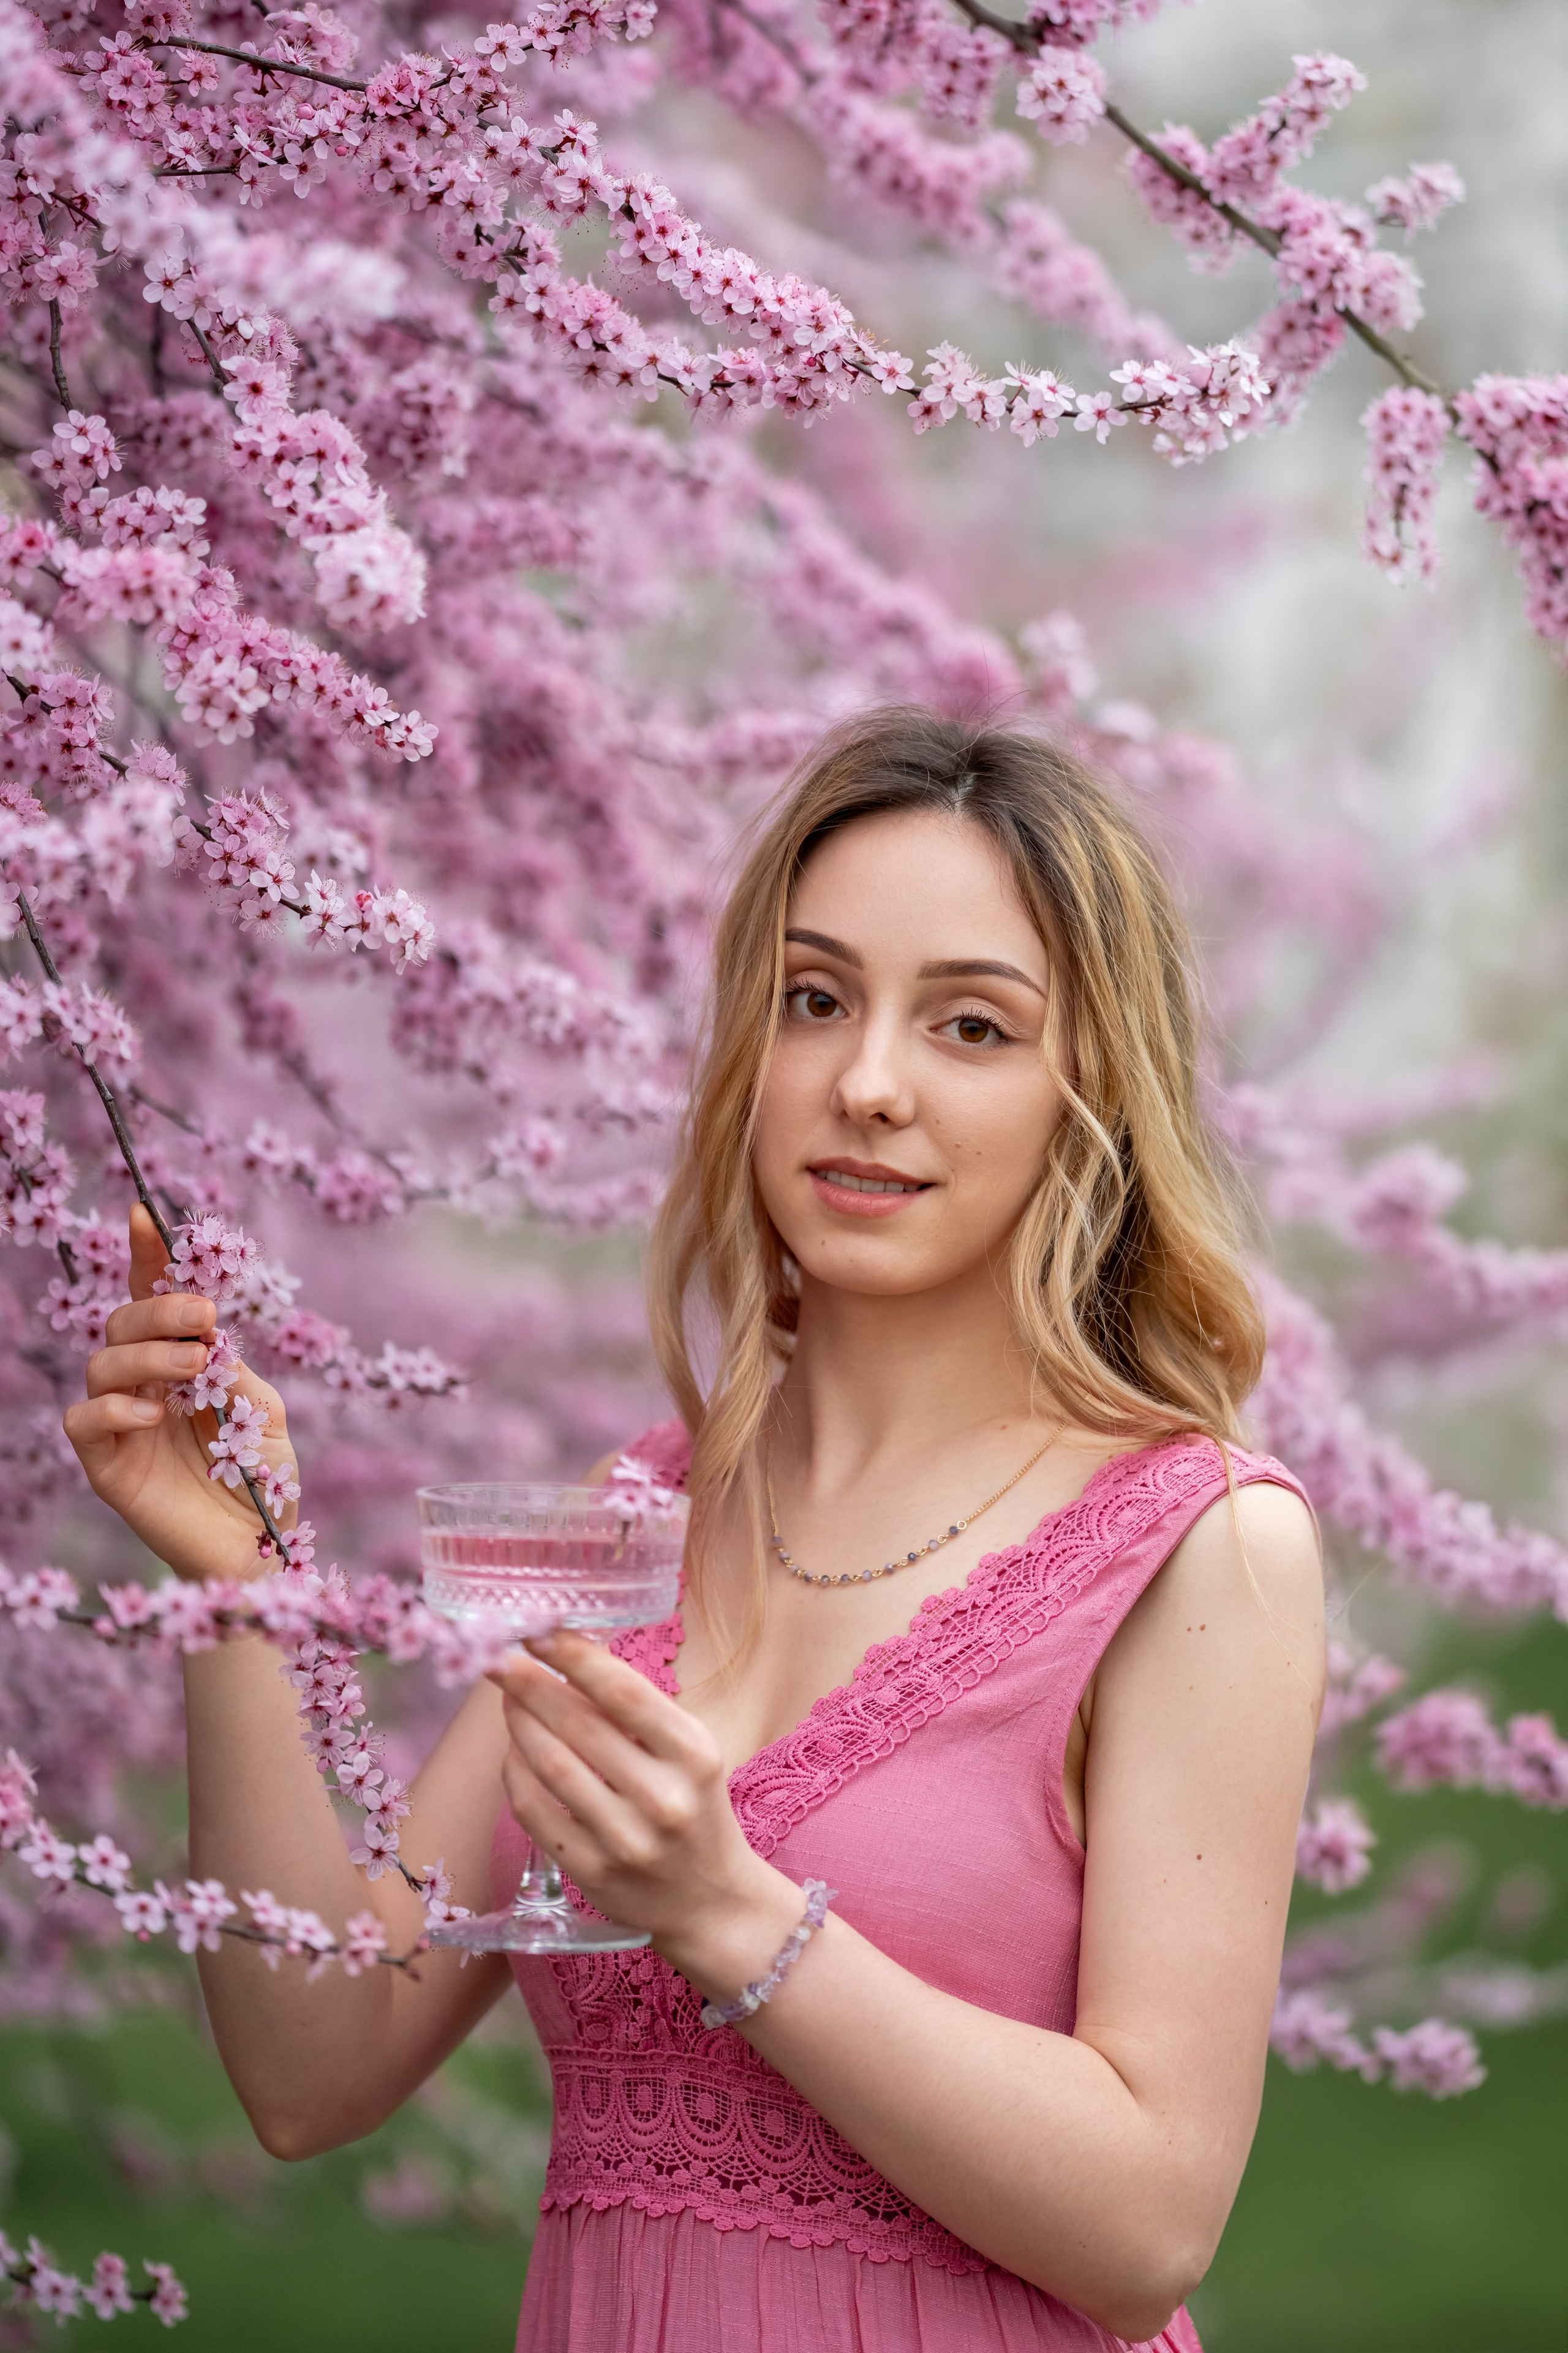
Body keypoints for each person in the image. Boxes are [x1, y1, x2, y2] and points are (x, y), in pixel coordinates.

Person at [64, 709, 1324, 2353]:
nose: (867, 1084)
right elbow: (316, 2062)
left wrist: (731, 1909)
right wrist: (238, 1589)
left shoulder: (1201, 1542)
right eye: (816, 1000)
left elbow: (1150, 2221)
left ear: (1092, 1087)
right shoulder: (635, 1513)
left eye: (971, 1025)